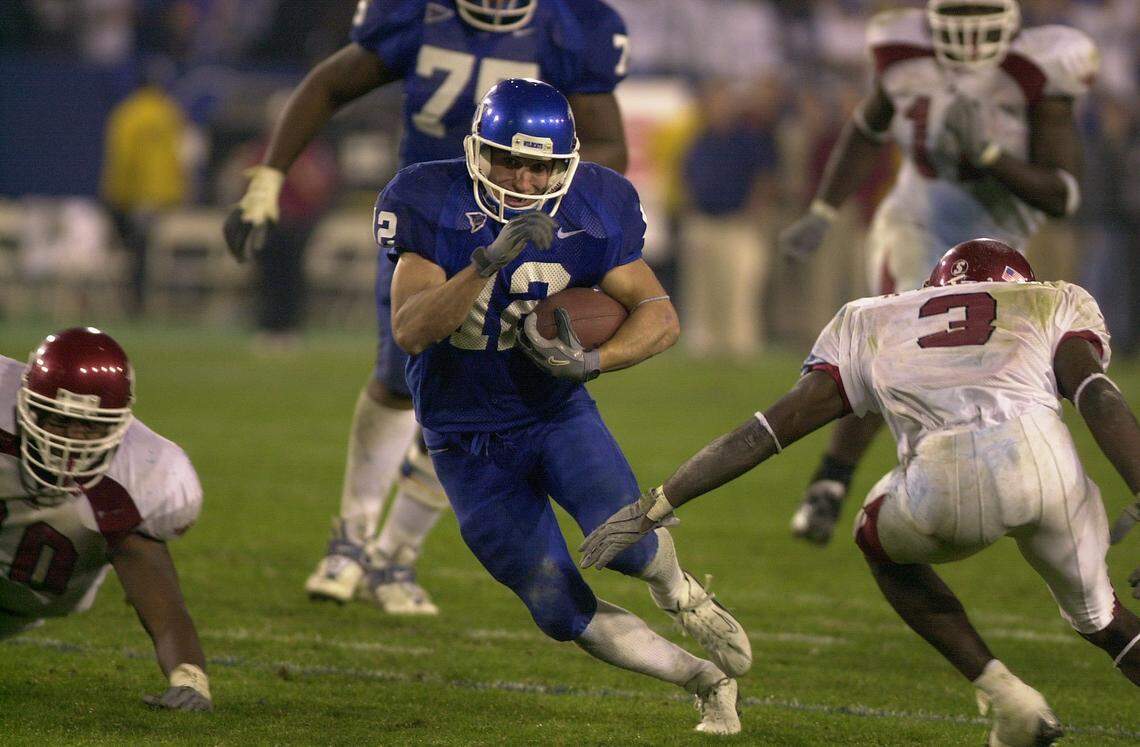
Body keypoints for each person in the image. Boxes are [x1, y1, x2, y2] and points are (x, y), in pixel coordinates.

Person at [581, 239, 1140, 746]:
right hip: (1047, 467)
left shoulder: (874, 317)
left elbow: (767, 431)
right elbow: (1098, 396)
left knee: (876, 538)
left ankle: (1010, 697)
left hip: (941, 480)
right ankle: (1050, 682)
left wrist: (661, 501)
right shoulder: (1052, 300)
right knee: (1105, 621)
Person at [224, 0, 631, 615]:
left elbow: (605, 140)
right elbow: (330, 83)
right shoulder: (417, 13)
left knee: (480, 395)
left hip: (524, 234)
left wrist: (558, 211)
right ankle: (352, 539)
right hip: (431, 223)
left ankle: (396, 555)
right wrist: (268, 177)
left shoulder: (573, 25)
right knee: (396, 381)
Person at [386, 78, 749, 734]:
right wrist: (485, 262)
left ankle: (680, 590)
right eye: (508, 160)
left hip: (554, 414)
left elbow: (660, 315)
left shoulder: (598, 202)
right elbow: (411, 328)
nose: (524, 179)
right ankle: (703, 677)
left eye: (542, 165)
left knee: (628, 545)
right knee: (556, 606)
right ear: (478, 151)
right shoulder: (427, 198)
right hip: (464, 441)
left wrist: (591, 363)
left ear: (567, 163)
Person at [777, 0, 1099, 546]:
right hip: (915, 223)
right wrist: (823, 210)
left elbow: (1063, 194)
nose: (970, 27)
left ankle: (1014, 479)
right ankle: (840, 483)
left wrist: (993, 156)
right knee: (899, 350)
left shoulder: (1040, 67)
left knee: (1001, 369)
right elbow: (864, 129)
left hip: (1001, 245)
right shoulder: (902, 56)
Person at [1, 328, 212, 712]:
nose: (73, 440)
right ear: (28, 406)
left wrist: (191, 677)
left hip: (22, 605)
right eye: (60, 420)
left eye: (91, 425)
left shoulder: (144, 474)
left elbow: (160, 597)